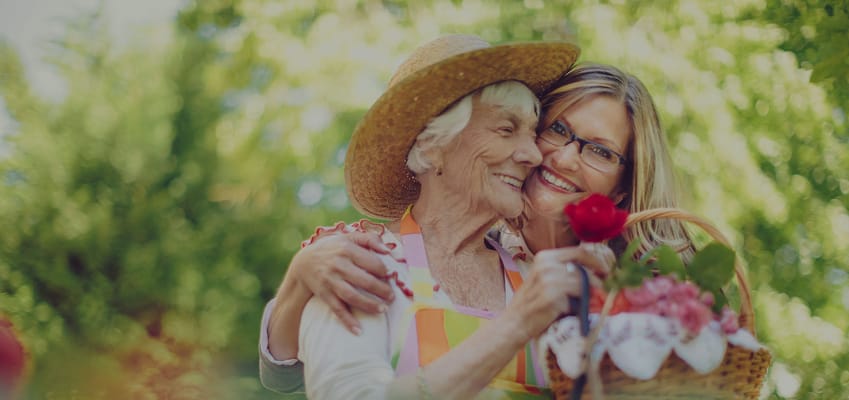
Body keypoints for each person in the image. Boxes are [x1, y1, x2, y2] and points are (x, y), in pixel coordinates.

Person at [259, 60, 694, 397]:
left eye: (600, 150)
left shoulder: (562, 281)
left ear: (622, 189)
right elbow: (305, 381)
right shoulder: (365, 262)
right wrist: (299, 281)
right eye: (554, 129)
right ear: (436, 143)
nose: (542, 155)